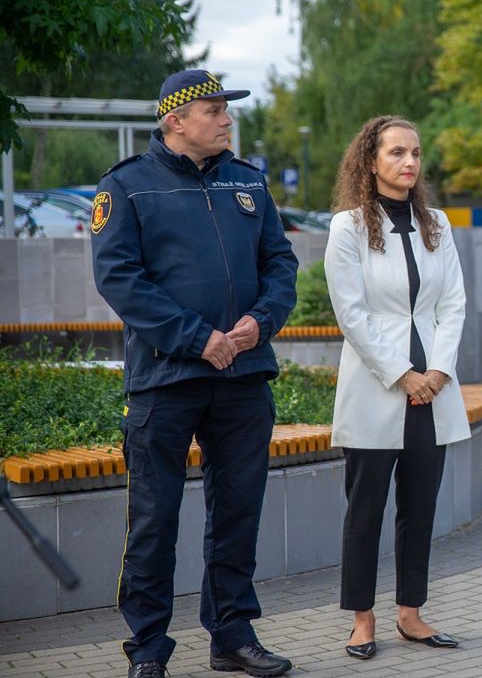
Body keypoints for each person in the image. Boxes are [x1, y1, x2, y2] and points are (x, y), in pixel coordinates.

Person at [91, 69, 299, 678]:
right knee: (154, 520)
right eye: (214, 110)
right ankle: (149, 650)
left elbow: (280, 263)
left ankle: (232, 636)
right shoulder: (126, 186)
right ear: (175, 120)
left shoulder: (248, 182)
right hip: (165, 381)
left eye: (225, 110)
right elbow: (119, 279)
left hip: (244, 378)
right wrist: (198, 338)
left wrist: (260, 323)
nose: (226, 120)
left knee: (238, 513)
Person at [324, 116, 469, 662]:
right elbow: (351, 313)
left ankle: (411, 613)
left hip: (433, 388)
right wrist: (400, 374)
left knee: (420, 506)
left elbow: (452, 301)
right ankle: (363, 619)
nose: (409, 163)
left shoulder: (436, 222)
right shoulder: (348, 227)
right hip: (376, 386)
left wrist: (437, 372)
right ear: (370, 160)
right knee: (365, 508)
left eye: (415, 153)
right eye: (396, 153)